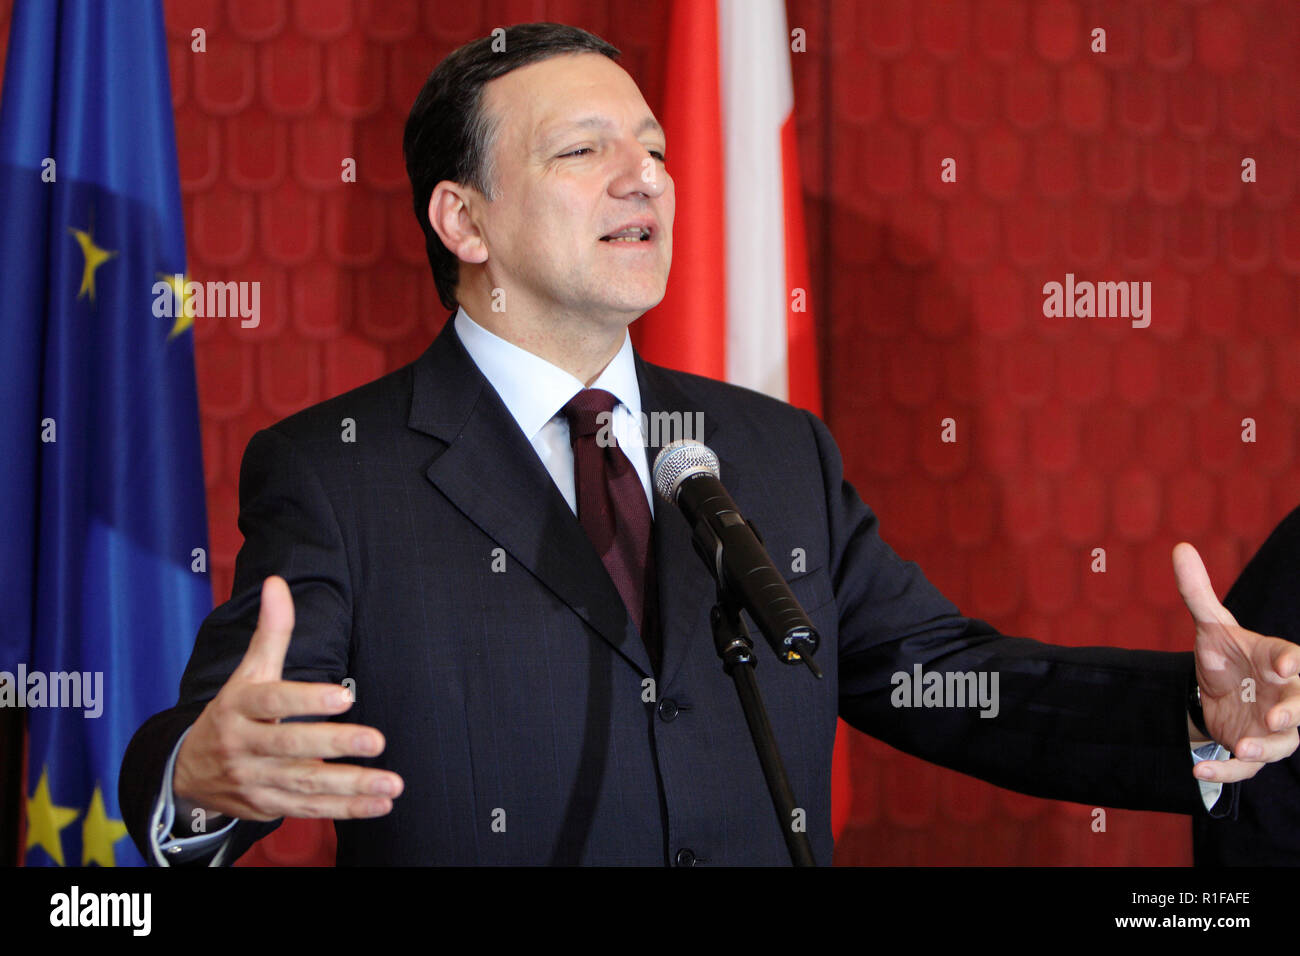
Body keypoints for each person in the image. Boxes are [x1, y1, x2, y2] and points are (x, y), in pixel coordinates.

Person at [120, 22, 1300, 866]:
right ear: (461, 216)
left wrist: (1193, 720)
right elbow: (241, 723)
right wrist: (195, 781)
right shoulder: (338, 468)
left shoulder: (772, 448)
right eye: (583, 151)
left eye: (654, 148)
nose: (647, 176)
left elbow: (946, 681)